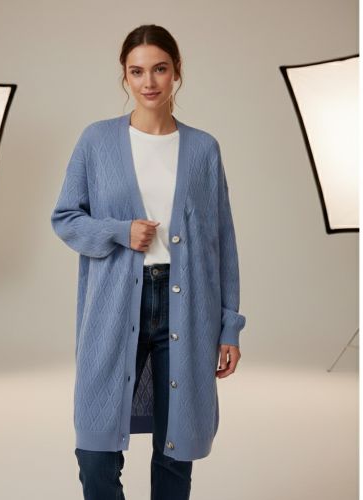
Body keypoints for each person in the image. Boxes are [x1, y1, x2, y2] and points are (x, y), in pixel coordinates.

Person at [51, 24, 246, 500]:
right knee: (95, 452)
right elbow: (66, 218)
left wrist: (229, 327)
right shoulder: (97, 140)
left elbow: (222, 242)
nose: (149, 82)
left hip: (188, 308)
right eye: (137, 71)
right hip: (114, 307)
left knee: (175, 450)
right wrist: (120, 232)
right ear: (124, 76)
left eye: (159, 69)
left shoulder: (203, 149)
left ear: (176, 71)